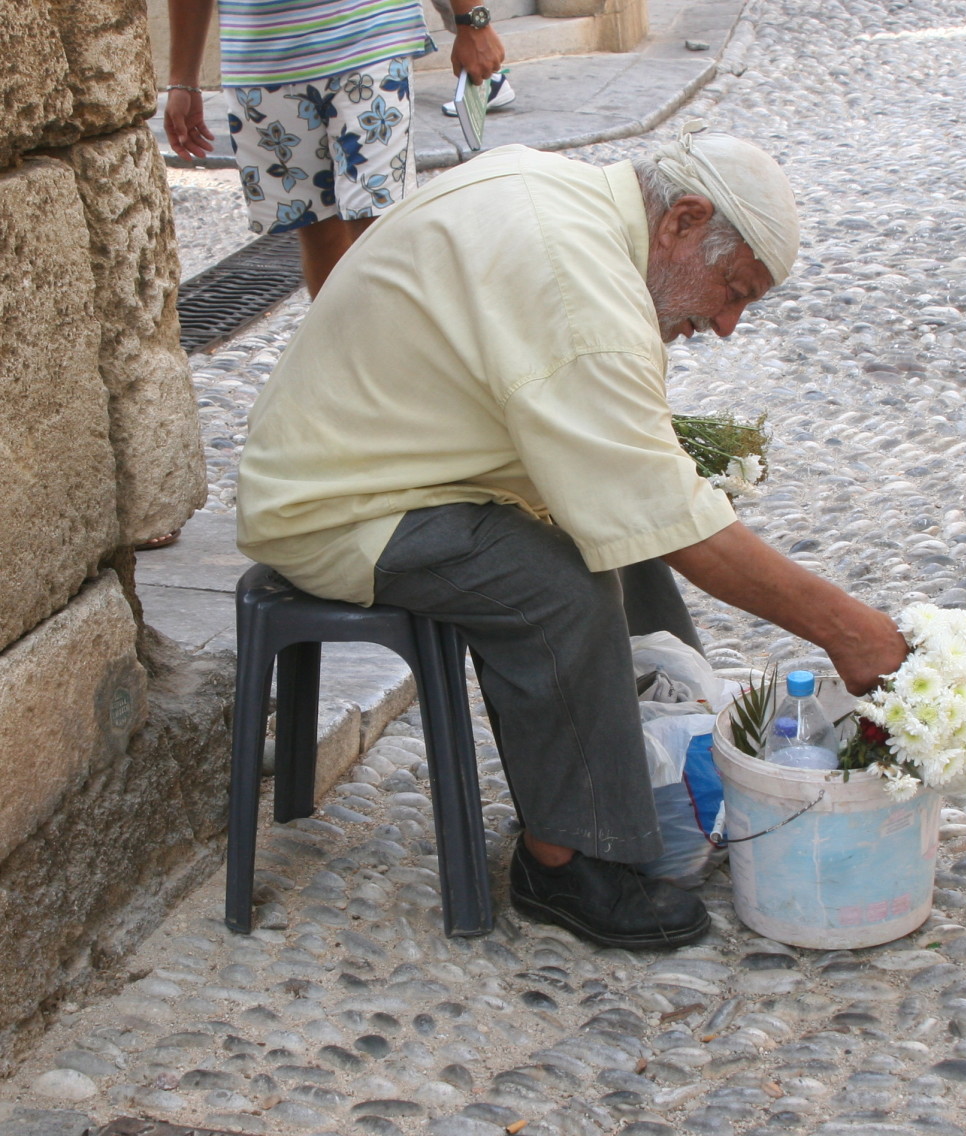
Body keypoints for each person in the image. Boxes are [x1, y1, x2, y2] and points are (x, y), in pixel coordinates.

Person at [236, 122, 910, 950]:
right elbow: (675, 519)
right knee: (557, 584)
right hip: (339, 504)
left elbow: (650, 508)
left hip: (388, 465)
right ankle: (567, 861)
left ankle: (668, 767)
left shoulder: (570, 203)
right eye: (732, 290)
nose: (728, 324)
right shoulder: (576, 283)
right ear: (684, 221)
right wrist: (849, 631)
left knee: (627, 540)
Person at [163, 0, 505, 298]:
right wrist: (182, 80)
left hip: (371, 36)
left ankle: (400, 362)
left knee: (379, 229)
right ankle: (345, 362)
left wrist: (472, 20)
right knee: (317, 232)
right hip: (261, 58)